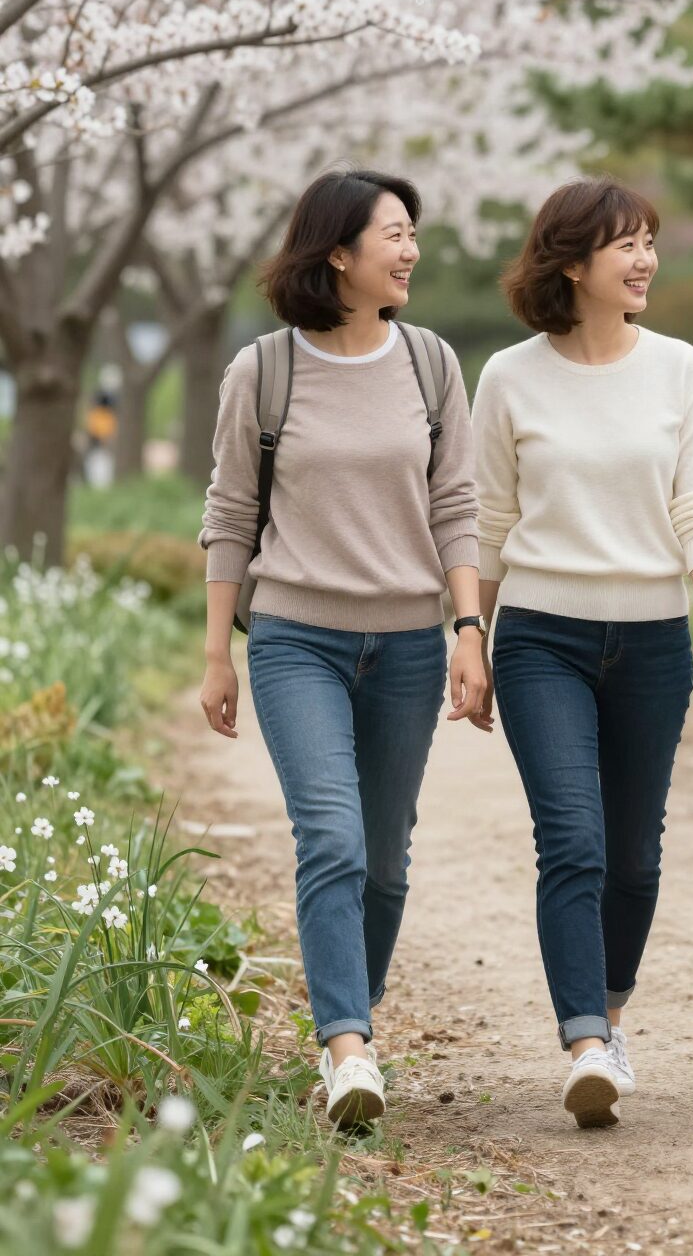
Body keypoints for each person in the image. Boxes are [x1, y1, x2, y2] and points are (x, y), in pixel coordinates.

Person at [199, 167, 487, 1128]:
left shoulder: (432, 363)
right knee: (331, 836)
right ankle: (349, 1053)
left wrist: (467, 627)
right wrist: (215, 653)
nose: (411, 251)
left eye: (413, 233)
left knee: (386, 860)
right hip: (295, 640)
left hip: (407, 640)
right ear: (338, 252)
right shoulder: (265, 370)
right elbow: (232, 512)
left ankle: (348, 1019)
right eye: (394, 234)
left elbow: (456, 506)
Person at [471, 176, 693, 1129]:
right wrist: (470, 635)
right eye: (626, 243)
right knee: (572, 839)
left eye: (651, 240)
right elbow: (488, 521)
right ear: (571, 263)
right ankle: (584, 1037)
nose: (646, 259)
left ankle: (611, 1016)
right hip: (541, 635)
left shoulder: (679, 368)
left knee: (635, 857)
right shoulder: (508, 377)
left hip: (655, 636)